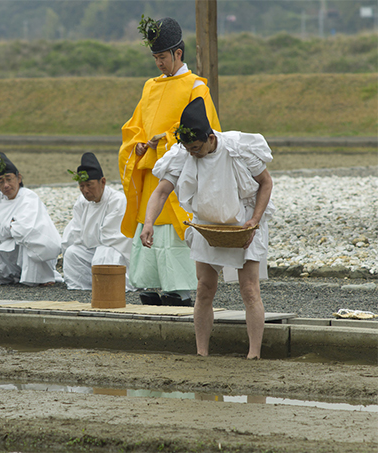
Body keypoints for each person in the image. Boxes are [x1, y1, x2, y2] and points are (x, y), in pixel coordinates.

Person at [140, 97, 274, 359]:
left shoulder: (238, 148)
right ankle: (202, 352)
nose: (193, 153)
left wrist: (255, 220)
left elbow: (266, 183)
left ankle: (254, 354)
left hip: (243, 221)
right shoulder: (183, 154)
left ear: (211, 138)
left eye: (197, 147)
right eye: (189, 148)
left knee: (249, 289)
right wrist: (148, 224)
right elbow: (160, 193)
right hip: (206, 223)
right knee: (204, 288)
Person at [119, 16, 221, 303]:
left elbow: (205, 132)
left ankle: (182, 294)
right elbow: (133, 127)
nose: (158, 63)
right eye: (155, 58)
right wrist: (139, 145)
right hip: (151, 175)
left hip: (179, 178)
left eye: (162, 57)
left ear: (178, 53)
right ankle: (149, 291)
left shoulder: (196, 87)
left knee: (176, 242)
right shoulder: (150, 86)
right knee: (149, 247)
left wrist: (165, 140)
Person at [0, 151, 62, 286]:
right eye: (1, 181)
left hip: (21, 246)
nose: (6, 185)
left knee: (28, 237)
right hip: (4, 246)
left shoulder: (29, 198)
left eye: (9, 179)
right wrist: (7, 224)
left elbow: (24, 229)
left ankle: (38, 278)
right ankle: (1, 276)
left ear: (19, 178)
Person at [62, 152, 132, 290]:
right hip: (92, 249)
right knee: (72, 253)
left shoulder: (117, 200)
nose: (85, 191)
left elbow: (112, 237)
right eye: (81, 186)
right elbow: (76, 232)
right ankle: (82, 287)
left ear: (103, 182)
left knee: (103, 254)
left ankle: (109, 289)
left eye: (89, 185)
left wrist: (91, 242)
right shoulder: (81, 202)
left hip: (114, 251)